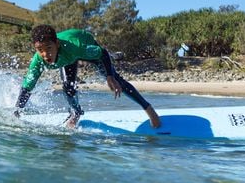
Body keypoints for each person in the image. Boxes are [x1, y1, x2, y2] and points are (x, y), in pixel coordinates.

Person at [14, 24, 161, 129]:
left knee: (118, 82)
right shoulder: (38, 60)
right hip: (68, 57)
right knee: (68, 88)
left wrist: (110, 76)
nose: (45, 55)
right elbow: (27, 87)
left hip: (84, 45)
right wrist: (17, 112)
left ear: (57, 44)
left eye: (49, 48)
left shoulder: (76, 47)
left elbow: (102, 52)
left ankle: (149, 109)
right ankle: (76, 113)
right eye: (40, 50)